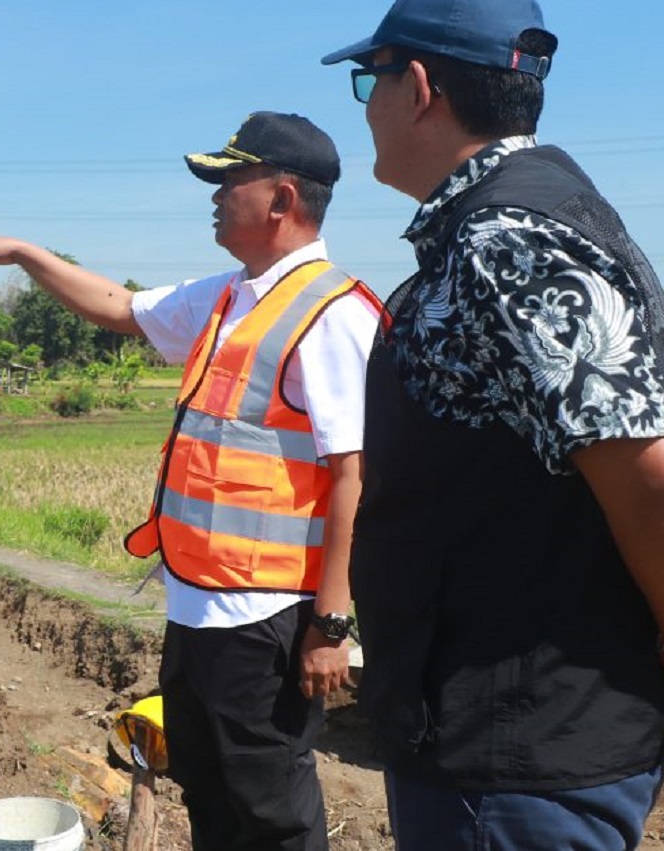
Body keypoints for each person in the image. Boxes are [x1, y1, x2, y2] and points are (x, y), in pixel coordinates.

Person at [0, 111, 382, 851]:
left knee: (272, 813)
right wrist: (24, 254)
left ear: (280, 198)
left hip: (267, 620)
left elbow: (355, 475)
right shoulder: (228, 297)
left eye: (227, 180)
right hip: (196, 608)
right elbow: (119, 306)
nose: (212, 195)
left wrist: (331, 626)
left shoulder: (332, 313)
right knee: (209, 798)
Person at [322, 1, 664, 847]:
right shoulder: (509, 223)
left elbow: (646, 473)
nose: (366, 106)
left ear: (421, 89)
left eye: (372, 79)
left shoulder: (509, 240)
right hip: (501, 738)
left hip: (518, 759)